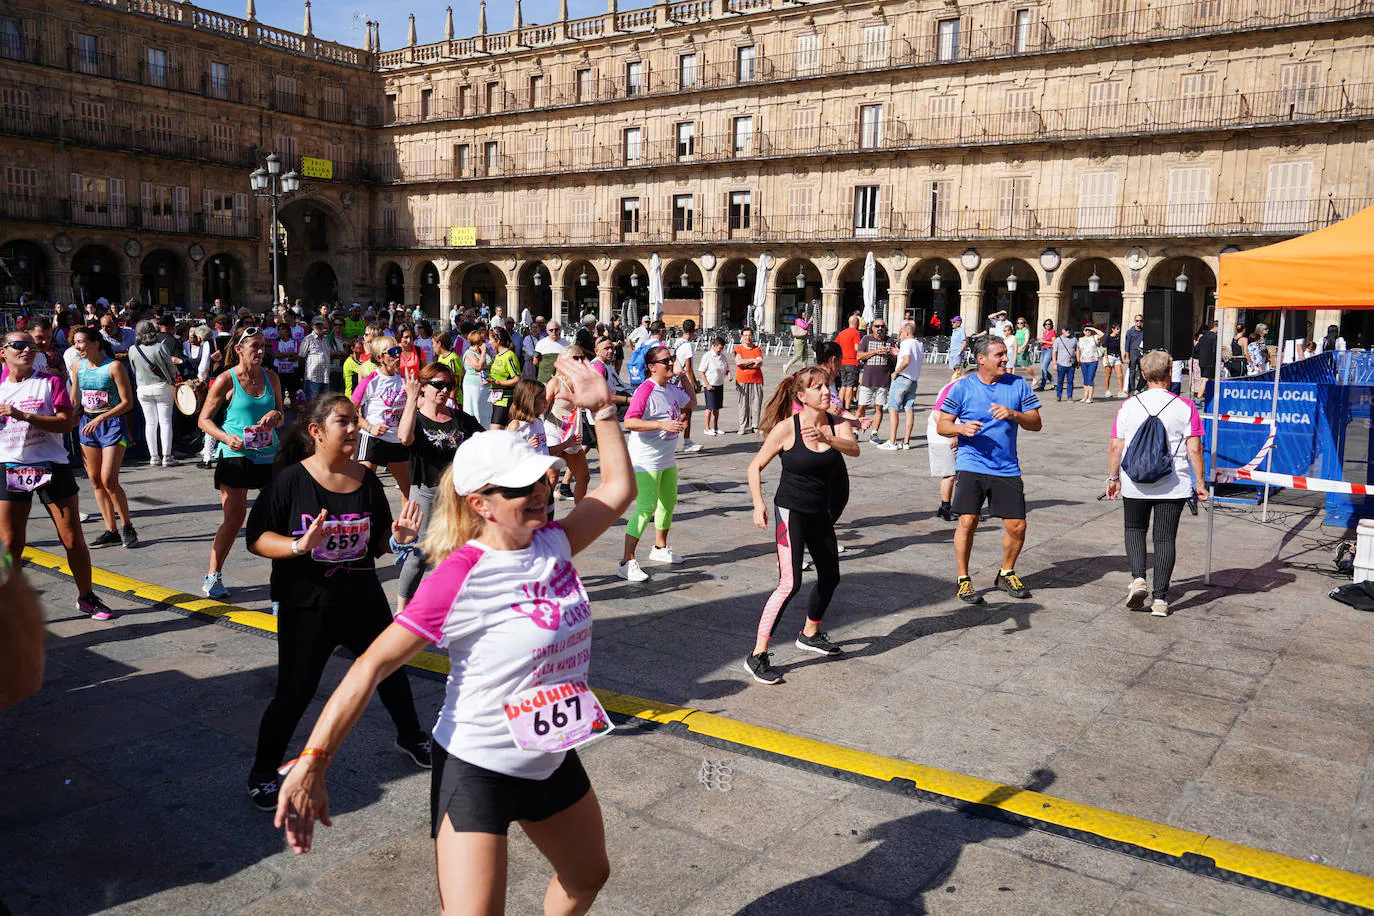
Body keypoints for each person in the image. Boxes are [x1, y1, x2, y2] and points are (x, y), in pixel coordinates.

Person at [271, 361, 633, 916]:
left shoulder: (554, 541)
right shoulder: (459, 574)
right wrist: (315, 759)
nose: (539, 492)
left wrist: (604, 411)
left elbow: (617, 488)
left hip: (550, 755)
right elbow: (370, 665)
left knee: (589, 876)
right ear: (479, 504)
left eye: (540, 479)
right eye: (520, 488)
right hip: (477, 764)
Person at [244, 394, 431, 810]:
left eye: (355, 421)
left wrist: (397, 538)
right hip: (307, 605)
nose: (353, 428)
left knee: (391, 670)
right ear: (316, 431)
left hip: (363, 600)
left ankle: (412, 737)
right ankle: (262, 771)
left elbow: (378, 541)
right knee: (295, 692)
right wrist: (297, 546)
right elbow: (256, 539)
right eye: (343, 421)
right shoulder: (290, 480)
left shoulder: (366, 481)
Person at [744, 367, 858, 685]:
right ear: (801, 396)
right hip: (791, 512)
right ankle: (758, 655)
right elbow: (755, 467)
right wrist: (758, 504)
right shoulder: (787, 429)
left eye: (827, 385)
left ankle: (809, 633)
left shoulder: (837, 423)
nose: (825, 391)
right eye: (817, 387)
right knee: (789, 584)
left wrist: (827, 437)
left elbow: (855, 449)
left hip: (820, 512)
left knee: (831, 576)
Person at [0, 331, 112, 619]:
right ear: (4, 352)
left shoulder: (50, 383)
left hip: (50, 464)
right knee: (11, 542)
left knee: (72, 538)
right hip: (10, 465)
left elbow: (65, 425)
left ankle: (86, 596)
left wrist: (22, 415)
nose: (27, 350)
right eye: (19, 346)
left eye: (31, 346)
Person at [935, 336, 1043, 605]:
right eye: (1000, 354)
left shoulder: (1017, 384)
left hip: (1006, 466)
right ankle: (963, 580)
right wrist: (960, 429)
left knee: (1017, 526)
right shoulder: (962, 387)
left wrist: (1014, 414)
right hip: (972, 463)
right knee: (968, 521)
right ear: (981, 359)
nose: (1006, 358)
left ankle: (1006, 573)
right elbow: (942, 425)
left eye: (1005, 353)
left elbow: (1036, 423)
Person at [1106, 350, 1209, 617]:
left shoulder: (1128, 406)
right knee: (1165, 539)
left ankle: (1139, 578)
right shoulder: (1185, 407)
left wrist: (1114, 477)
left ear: (1142, 375)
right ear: (1169, 374)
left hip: (1135, 481)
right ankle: (1161, 600)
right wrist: (1200, 482)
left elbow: (1116, 445)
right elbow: (1195, 449)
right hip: (1173, 483)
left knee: (1134, 529)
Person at [198, 326, 285, 599]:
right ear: (239, 350)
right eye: (253, 346)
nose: (260, 351)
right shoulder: (226, 379)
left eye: (262, 346)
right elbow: (203, 420)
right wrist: (226, 437)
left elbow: (281, 414)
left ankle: (285, 576)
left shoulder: (272, 377)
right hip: (236, 456)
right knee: (234, 519)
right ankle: (213, 575)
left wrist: (274, 414)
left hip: (269, 455)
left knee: (280, 515)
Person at [396, 362, 484, 612]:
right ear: (423, 387)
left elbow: (484, 438)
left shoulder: (458, 418)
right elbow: (405, 437)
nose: (444, 390)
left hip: (456, 494)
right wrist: (412, 398)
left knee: (458, 549)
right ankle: (403, 609)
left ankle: (452, 604)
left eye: (449, 385)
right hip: (424, 491)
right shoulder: (417, 416)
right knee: (420, 552)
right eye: (438, 385)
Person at [619, 344, 696, 582]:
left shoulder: (670, 388)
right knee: (646, 508)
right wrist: (661, 425)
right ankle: (626, 562)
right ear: (652, 367)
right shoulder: (646, 390)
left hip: (666, 458)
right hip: (646, 460)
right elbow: (630, 422)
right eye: (666, 361)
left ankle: (660, 548)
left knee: (668, 502)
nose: (671, 363)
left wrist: (683, 377)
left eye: (671, 359)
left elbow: (691, 402)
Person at [70, 326, 138, 549]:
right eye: (75, 343)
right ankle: (111, 530)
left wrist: (101, 419)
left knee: (109, 478)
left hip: (111, 424)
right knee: (95, 479)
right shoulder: (77, 367)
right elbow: (74, 401)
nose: (78, 346)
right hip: (87, 425)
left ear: (95, 343)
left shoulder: (114, 366)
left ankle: (127, 525)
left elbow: (127, 402)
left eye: (81, 342)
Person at [352, 336, 413, 499]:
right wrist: (369, 427)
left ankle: (406, 524)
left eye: (398, 350)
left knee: (408, 490)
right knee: (362, 487)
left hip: (396, 440)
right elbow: (350, 412)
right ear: (380, 358)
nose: (398, 355)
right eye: (392, 352)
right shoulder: (370, 381)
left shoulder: (404, 381)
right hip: (372, 439)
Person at [128, 319, 180, 467]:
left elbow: (133, 370)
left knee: (150, 423)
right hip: (162, 386)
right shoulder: (160, 347)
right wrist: (173, 378)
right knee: (165, 422)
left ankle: (153, 456)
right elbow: (170, 367)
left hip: (143, 388)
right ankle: (167, 456)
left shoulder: (133, 349)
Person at [543, 347, 592, 502]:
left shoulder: (583, 382)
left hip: (573, 433)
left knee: (584, 477)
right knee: (552, 477)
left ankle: (580, 516)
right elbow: (541, 407)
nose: (579, 361)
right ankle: (544, 517)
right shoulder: (556, 382)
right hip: (554, 430)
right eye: (575, 358)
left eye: (581, 358)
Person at [928, 367, 970, 522]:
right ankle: (945, 507)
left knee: (963, 473)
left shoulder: (966, 386)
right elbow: (937, 413)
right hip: (941, 434)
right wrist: (951, 434)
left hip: (958, 433)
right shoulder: (954, 388)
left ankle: (964, 507)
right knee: (950, 474)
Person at [878, 324, 923, 450]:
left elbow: (907, 360)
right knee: (909, 409)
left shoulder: (906, 343)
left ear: (907, 333)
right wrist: (898, 353)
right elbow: (913, 359)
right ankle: (906, 441)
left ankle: (892, 442)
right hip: (913, 380)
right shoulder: (919, 345)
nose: (900, 335)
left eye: (902, 333)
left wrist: (895, 372)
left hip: (902, 378)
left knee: (893, 409)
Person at [855, 319, 895, 443]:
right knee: (862, 407)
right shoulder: (866, 339)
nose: (879, 328)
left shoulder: (890, 341)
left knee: (879, 407)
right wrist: (875, 351)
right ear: (872, 328)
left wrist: (889, 354)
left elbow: (894, 360)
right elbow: (859, 356)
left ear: (885, 328)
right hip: (868, 379)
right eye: (876, 326)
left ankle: (874, 433)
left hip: (883, 380)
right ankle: (855, 431)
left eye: (882, 326)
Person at [674, 319, 702, 453]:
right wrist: (695, 385)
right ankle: (684, 441)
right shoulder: (687, 346)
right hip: (682, 383)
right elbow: (689, 369)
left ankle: (686, 440)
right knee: (686, 411)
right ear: (694, 331)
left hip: (674, 381)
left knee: (684, 411)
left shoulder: (677, 342)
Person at [486, 327, 522, 430]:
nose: (489, 343)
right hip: (496, 398)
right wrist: (488, 378)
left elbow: (517, 379)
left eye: (491, 339)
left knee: (494, 432)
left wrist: (499, 382)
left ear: (497, 341)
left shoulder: (509, 355)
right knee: (501, 433)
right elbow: (499, 375)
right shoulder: (498, 356)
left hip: (506, 399)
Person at [734, 328, 765, 435]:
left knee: (756, 403)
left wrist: (746, 364)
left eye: (750, 335)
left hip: (757, 380)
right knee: (743, 404)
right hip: (742, 380)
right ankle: (743, 426)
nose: (748, 338)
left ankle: (755, 425)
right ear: (742, 337)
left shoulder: (757, 349)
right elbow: (738, 362)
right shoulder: (739, 349)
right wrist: (752, 361)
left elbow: (760, 362)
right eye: (745, 335)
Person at [696, 336, 728, 437]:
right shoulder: (707, 356)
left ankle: (715, 427)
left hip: (719, 383)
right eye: (719, 348)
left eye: (722, 348)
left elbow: (726, 367)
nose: (720, 350)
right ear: (714, 346)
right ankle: (707, 428)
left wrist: (729, 374)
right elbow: (701, 371)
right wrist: (707, 384)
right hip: (710, 384)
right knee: (710, 407)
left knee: (717, 408)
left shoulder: (722, 356)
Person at [462, 328, 494, 428]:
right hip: (473, 386)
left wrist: (485, 357)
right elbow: (479, 366)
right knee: (475, 411)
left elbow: (493, 362)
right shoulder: (469, 353)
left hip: (486, 385)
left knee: (486, 413)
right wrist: (483, 352)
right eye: (482, 340)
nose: (484, 343)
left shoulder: (487, 351)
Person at [299, 317, 332, 402]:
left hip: (325, 377)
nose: (319, 326)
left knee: (324, 404)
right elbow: (301, 357)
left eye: (321, 324)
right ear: (312, 326)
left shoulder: (325, 340)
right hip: (312, 378)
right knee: (312, 404)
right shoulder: (307, 339)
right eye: (317, 324)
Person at [834, 314, 862, 411]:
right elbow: (856, 348)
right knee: (850, 386)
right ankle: (847, 407)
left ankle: (840, 405)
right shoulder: (856, 333)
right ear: (857, 323)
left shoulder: (841, 333)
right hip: (852, 362)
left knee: (843, 385)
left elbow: (836, 346)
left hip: (842, 362)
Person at [272, 319, 302, 407]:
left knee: (293, 393)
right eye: (279, 330)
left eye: (282, 329)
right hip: (279, 370)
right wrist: (290, 354)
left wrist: (287, 356)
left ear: (288, 331)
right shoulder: (275, 342)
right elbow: (277, 355)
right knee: (279, 393)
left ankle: (293, 413)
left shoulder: (296, 342)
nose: (280, 332)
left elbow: (298, 356)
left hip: (292, 371)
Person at [535, 320, 567, 385]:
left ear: (559, 330)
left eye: (556, 329)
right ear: (547, 331)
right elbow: (535, 361)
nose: (554, 332)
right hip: (544, 381)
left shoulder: (567, 344)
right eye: (551, 330)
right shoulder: (541, 343)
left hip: (561, 381)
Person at [1077, 326, 1104, 403]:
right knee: (1085, 379)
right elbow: (1078, 350)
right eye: (1086, 330)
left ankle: (1090, 397)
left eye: (1089, 330)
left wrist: (1092, 328)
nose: (1088, 331)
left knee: (1090, 378)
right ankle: (1085, 396)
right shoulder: (1080, 340)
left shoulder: (1094, 337)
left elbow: (1102, 334)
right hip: (1083, 361)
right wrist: (1078, 360)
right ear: (1083, 331)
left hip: (1093, 360)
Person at [1052, 326, 1078, 402]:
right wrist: (1054, 363)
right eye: (1066, 330)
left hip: (1071, 363)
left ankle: (1069, 397)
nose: (1068, 331)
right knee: (1060, 381)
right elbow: (1054, 351)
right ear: (1062, 331)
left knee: (1070, 381)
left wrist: (1078, 361)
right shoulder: (1058, 340)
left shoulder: (1074, 339)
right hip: (1061, 363)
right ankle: (1058, 396)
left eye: (1069, 330)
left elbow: (1077, 350)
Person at [1124, 314, 1146, 393]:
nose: (1139, 322)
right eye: (1137, 321)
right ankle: (1131, 390)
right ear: (1135, 321)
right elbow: (1127, 345)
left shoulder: (1144, 331)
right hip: (1133, 353)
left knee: (1142, 371)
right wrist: (1127, 357)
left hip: (1141, 354)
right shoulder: (1130, 332)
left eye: (1140, 321)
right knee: (1132, 372)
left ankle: (1139, 388)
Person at [1102, 323, 1123, 397]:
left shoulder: (1118, 337)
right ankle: (1107, 390)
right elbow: (1105, 349)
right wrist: (1106, 359)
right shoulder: (1108, 338)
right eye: (1117, 329)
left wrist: (1121, 357)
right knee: (1108, 375)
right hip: (1109, 357)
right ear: (1113, 329)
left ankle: (1121, 391)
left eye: (1119, 329)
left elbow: (1119, 348)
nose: (1118, 330)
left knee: (1120, 375)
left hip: (1117, 357)